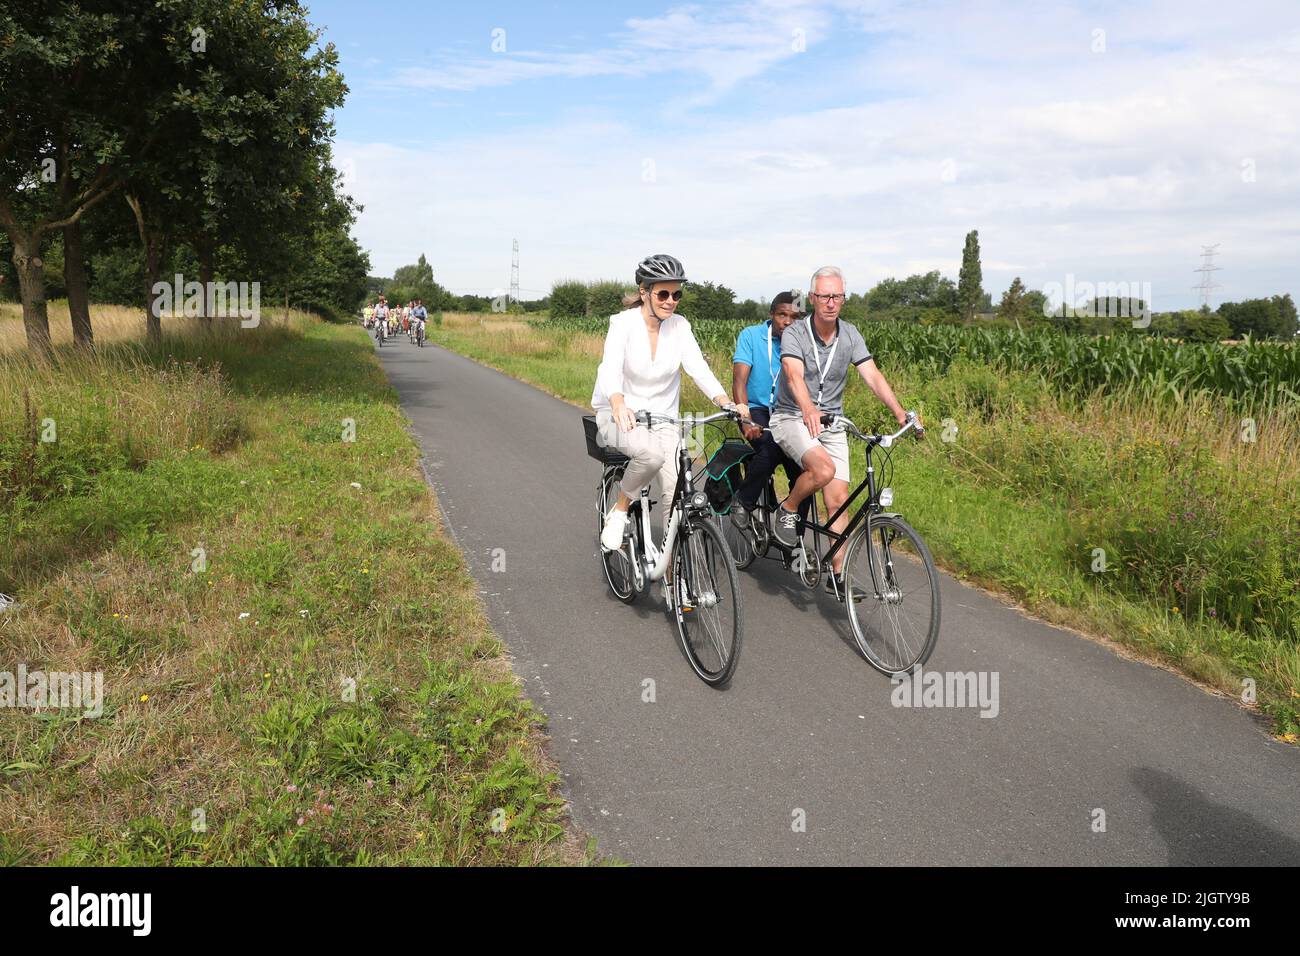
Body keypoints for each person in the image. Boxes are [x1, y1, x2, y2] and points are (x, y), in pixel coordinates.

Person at [592, 254, 748, 600]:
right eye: (663, 294)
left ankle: (671, 573)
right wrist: (617, 402)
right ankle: (619, 511)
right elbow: (609, 367)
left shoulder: (680, 326)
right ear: (644, 292)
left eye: (677, 295)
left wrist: (725, 401)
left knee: (675, 490)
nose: (671, 302)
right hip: (617, 412)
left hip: (663, 417)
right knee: (647, 455)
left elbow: (698, 368)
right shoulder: (622, 323)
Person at [768, 266, 920, 598]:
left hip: (832, 422)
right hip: (792, 416)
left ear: (843, 299)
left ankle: (838, 577)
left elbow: (872, 375)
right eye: (824, 296)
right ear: (812, 299)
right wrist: (808, 407)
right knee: (823, 469)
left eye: (837, 296)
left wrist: (899, 413)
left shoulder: (850, 335)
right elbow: (793, 374)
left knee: (838, 501)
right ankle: (789, 508)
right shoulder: (795, 332)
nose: (831, 303)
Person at [730, 291, 811, 527]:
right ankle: (744, 501)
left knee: (805, 471)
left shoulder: (804, 343)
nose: (787, 322)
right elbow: (739, 381)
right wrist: (744, 417)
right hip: (755, 409)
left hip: (787, 412)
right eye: (782, 315)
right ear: (771, 314)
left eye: (794, 317)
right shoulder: (752, 336)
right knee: (771, 447)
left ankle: (792, 535)